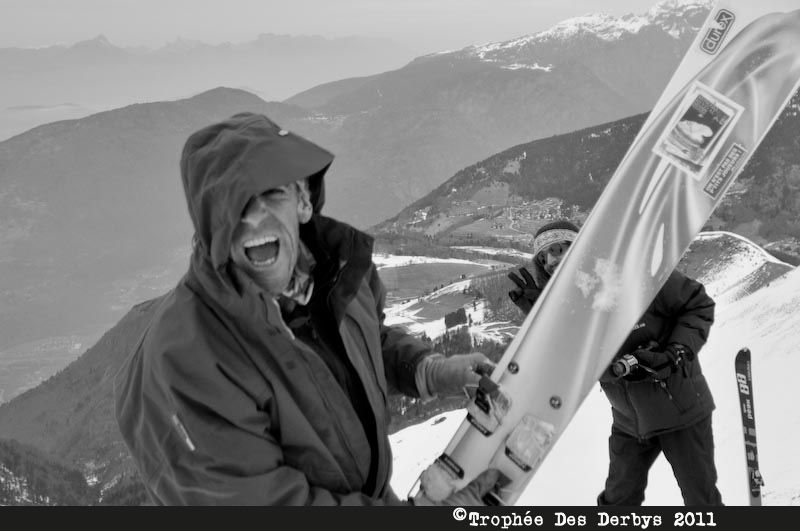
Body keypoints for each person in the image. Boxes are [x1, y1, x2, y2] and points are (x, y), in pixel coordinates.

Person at [114, 112, 500, 505]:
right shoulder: (188, 361)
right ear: (211, 228)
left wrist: (425, 370)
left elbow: (361, 346)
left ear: (302, 202)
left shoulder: (337, 273)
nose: (254, 216)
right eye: (233, 206)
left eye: (271, 193)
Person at [507, 220, 722, 506]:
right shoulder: (569, 306)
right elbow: (572, 361)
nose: (551, 261)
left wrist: (675, 353)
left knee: (701, 502)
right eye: (543, 257)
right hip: (630, 421)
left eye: (558, 249)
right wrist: (541, 316)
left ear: (580, 246)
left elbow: (697, 304)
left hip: (680, 412)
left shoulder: (634, 275)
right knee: (617, 503)